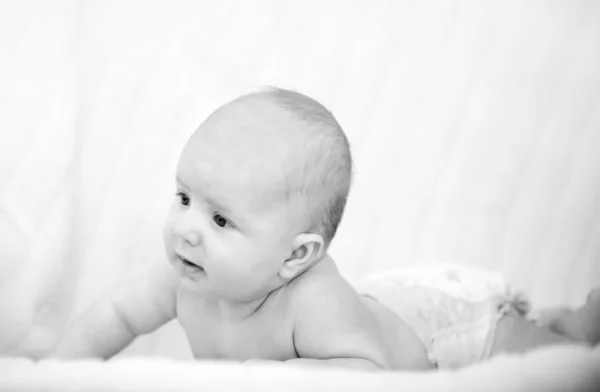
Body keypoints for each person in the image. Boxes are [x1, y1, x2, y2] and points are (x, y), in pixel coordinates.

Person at [51, 87, 599, 370]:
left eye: (220, 219)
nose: (187, 229)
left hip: (443, 330)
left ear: (296, 257)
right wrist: (54, 370)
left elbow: (369, 367)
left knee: (558, 355)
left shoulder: (311, 300)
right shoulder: (183, 274)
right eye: (184, 198)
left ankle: (577, 320)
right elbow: (115, 315)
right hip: (382, 306)